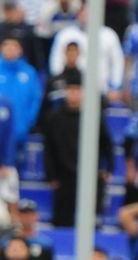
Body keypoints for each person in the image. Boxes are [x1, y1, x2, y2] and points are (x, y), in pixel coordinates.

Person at [43, 70, 114, 227]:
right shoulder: (54, 117)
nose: (74, 94)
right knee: (62, 218)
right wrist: (51, 175)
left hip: (90, 172)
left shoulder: (93, 115)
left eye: (77, 90)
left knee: (93, 218)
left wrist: (108, 167)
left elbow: (106, 143)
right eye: (70, 90)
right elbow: (48, 148)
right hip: (63, 174)